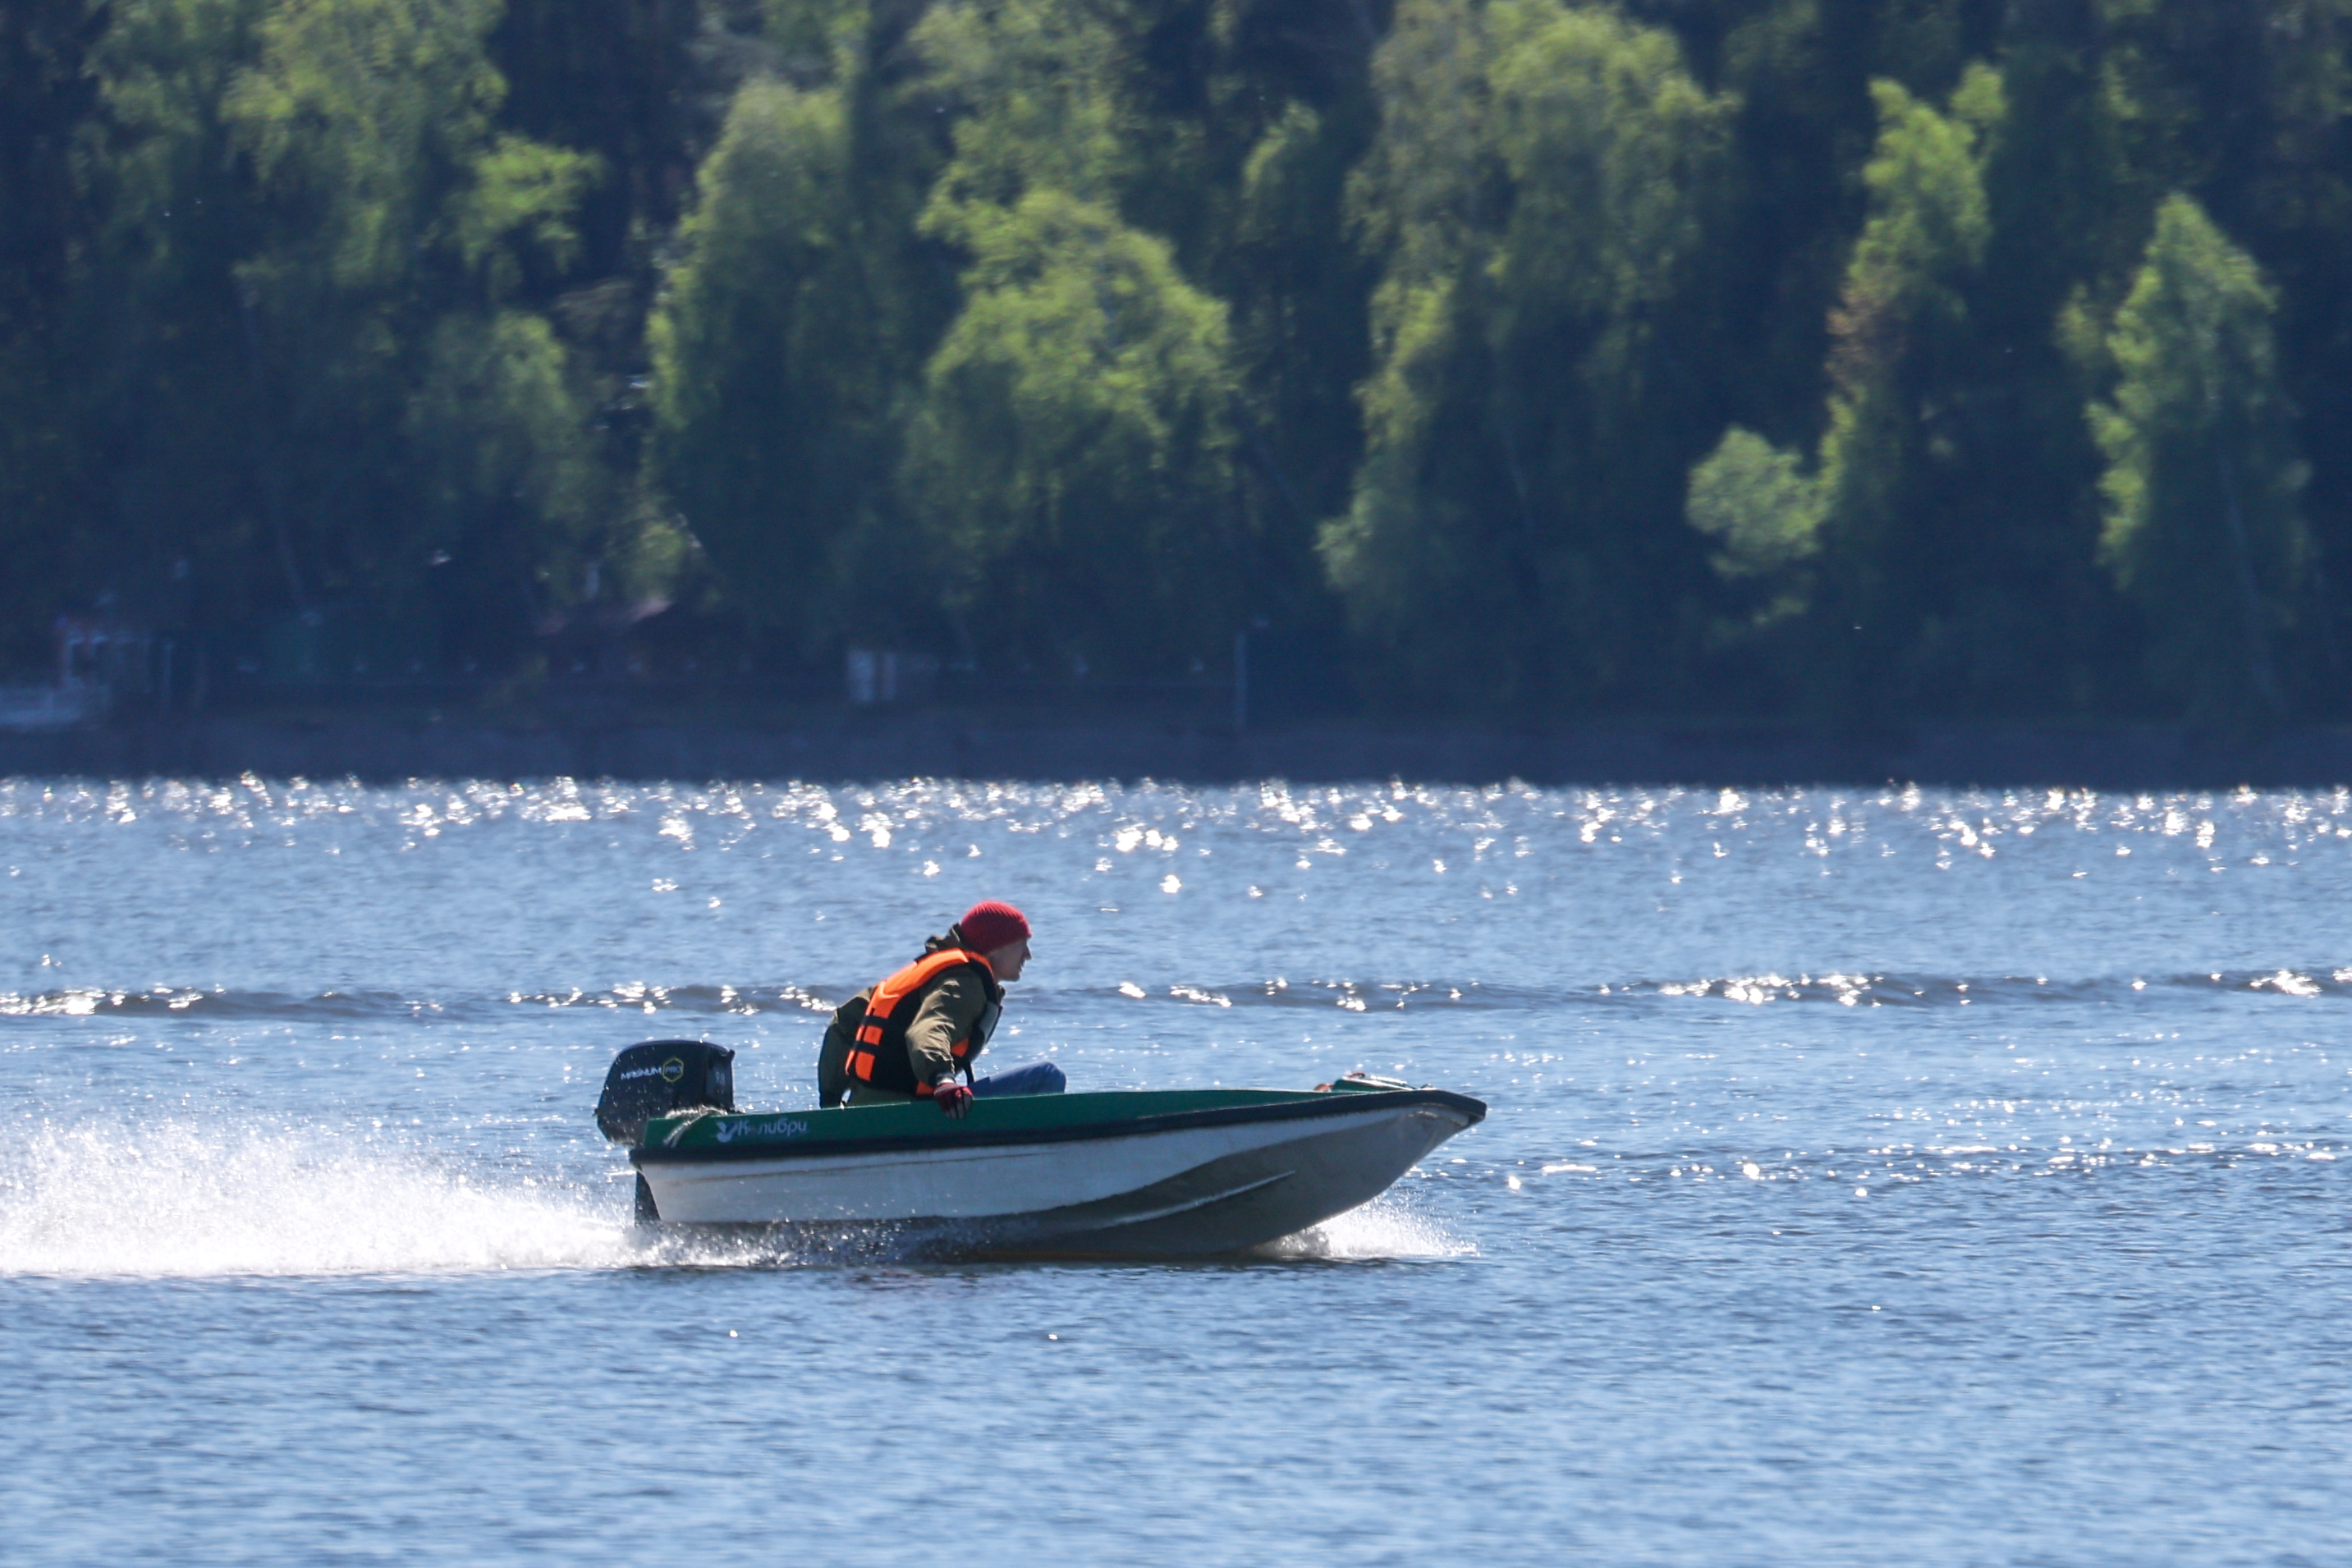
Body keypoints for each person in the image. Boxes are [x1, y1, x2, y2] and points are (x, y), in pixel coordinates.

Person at [817, 900, 1066, 1116]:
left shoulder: (922, 973)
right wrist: (943, 1080)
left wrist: (830, 1105)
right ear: (996, 947)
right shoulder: (965, 983)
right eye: (1022, 944)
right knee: (1047, 1076)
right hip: (916, 1112)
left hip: (865, 1112)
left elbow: (842, 1026)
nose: (1028, 955)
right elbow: (927, 1031)